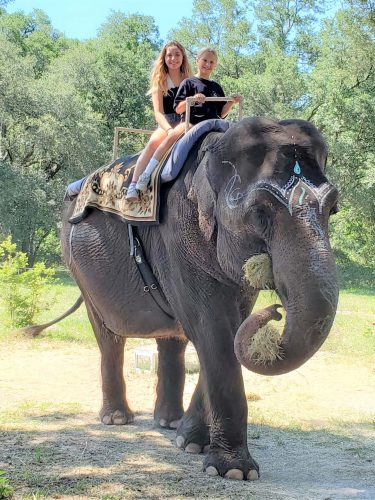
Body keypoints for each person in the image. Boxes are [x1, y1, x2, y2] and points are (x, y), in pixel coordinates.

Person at [135, 47, 242, 193]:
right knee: (171, 136)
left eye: (212, 62)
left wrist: (231, 102)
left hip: (212, 125)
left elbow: (222, 114)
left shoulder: (216, 87)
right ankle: (146, 174)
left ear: (215, 65)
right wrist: (192, 100)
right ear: (197, 60)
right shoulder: (189, 83)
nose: (207, 64)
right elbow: (178, 109)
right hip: (191, 123)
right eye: (204, 60)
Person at [126, 41, 193, 201]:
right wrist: (168, 130)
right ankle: (134, 184)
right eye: (169, 55)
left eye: (177, 54)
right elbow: (158, 113)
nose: (173, 58)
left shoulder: (189, 80)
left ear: (183, 57)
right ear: (164, 58)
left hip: (186, 120)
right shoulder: (160, 81)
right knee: (153, 143)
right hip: (167, 121)